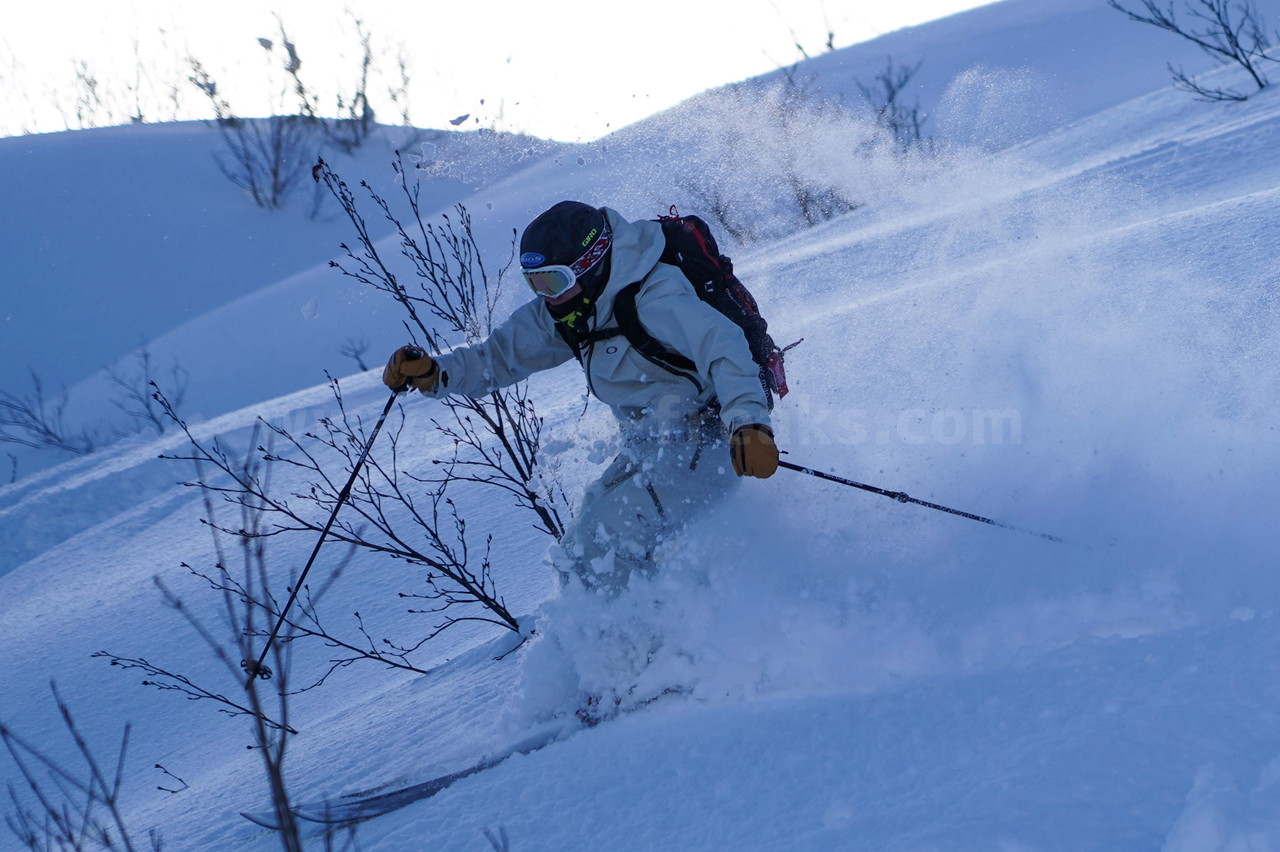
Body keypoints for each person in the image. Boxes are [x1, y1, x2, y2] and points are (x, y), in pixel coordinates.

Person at [382, 200, 777, 595]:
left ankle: (647, 645)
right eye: (534, 283)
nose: (545, 296)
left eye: (552, 281)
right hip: (651, 445)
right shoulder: (572, 309)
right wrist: (437, 374)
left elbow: (724, 347)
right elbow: (498, 357)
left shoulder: (654, 297)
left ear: (590, 265)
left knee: (606, 542)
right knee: (579, 552)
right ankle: (664, 628)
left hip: (707, 440)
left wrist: (750, 423)